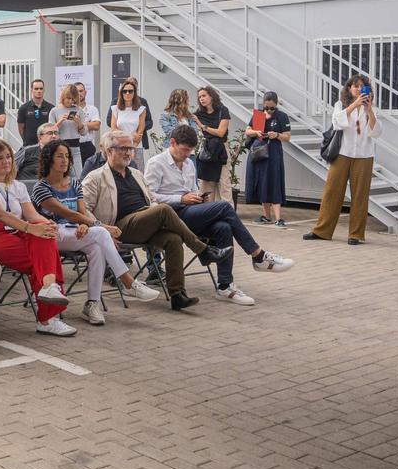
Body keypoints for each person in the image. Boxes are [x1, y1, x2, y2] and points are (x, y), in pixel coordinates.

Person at [146, 124, 294, 307]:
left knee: (223, 228)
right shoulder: (156, 163)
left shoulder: (190, 163)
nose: (187, 154)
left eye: (190, 150)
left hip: (189, 212)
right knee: (224, 207)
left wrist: (198, 197)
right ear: (173, 143)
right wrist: (181, 198)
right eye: (184, 150)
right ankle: (258, 255)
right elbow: (150, 197)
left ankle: (225, 286)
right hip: (169, 216)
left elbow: (193, 189)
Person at [82, 130, 231, 311]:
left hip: (145, 221)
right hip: (118, 227)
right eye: (123, 148)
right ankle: (202, 250)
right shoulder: (96, 177)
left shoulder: (136, 174)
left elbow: (151, 200)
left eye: (131, 148)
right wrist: (102, 230)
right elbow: (84, 210)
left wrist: (153, 211)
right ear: (108, 150)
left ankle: (177, 295)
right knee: (163, 209)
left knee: (173, 239)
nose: (129, 153)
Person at [31, 140, 161, 325]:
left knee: (97, 248)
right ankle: (129, 283)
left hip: (76, 232)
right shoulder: (41, 188)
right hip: (52, 234)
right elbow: (68, 214)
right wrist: (102, 226)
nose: (64, 160)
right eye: (59, 156)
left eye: (67, 156)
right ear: (48, 159)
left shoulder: (74, 184)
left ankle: (92, 304)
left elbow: (82, 214)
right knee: (101, 234)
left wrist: (86, 225)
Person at [0, 138, 72, 337]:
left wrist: (46, 224)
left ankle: (49, 290)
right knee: (44, 259)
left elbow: (32, 215)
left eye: (8, 157)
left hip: (16, 232)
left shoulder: (17, 185)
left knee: (43, 232)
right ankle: (48, 318)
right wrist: (31, 228)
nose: (6, 162)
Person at [305, 74, 381, 245]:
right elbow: (337, 122)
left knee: (360, 195)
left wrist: (368, 110)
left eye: (362, 86)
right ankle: (322, 231)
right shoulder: (340, 105)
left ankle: (356, 235)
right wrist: (355, 105)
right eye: (355, 86)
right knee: (332, 191)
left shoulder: (372, 108)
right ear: (348, 88)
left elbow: (376, 132)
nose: (359, 89)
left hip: (364, 155)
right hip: (342, 153)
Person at [244, 91, 292, 227]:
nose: (269, 110)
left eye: (272, 108)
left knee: (274, 181)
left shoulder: (281, 116)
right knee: (262, 182)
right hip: (259, 152)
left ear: (276, 105)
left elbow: (288, 136)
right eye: (266, 107)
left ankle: (278, 218)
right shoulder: (258, 115)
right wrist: (255, 132)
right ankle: (266, 216)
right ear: (263, 105)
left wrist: (276, 135)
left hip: (274, 154)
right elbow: (247, 131)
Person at [193, 85, 232, 205]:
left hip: (221, 149)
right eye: (199, 97)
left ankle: (227, 212)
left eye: (204, 96)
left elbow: (221, 133)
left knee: (223, 182)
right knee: (205, 183)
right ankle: (206, 211)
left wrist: (202, 125)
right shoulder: (199, 112)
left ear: (211, 96)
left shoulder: (222, 110)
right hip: (207, 148)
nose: (201, 99)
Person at [109, 77, 148, 170]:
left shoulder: (141, 109)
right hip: (119, 146)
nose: (127, 93)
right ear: (121, 93)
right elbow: (113, 129)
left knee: (137, 173)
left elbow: (140, 133)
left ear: (134, 93)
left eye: (130, 91)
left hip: (136, 146)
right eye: (125, 91)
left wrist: (132, 148)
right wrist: (130, 136)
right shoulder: (115, 109)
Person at [49, 83, 86, 176]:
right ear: (64, 96)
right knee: (61, 176)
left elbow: (84, 132)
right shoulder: (55, 110)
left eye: (73, 99)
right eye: (69, 98)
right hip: (60, 147)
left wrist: (79, 123)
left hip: (75, 148)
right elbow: (50, 132)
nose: (71, 101)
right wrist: (60, 121)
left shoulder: (79, 110)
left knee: (77, 177)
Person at [15, 79, 52, 146]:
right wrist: (26, 139)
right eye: (36, 89)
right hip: (29, 145)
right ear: (31, 90)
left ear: (44, 90)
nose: (39, 91)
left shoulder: (51, 108)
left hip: (47, 145)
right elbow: (21, 128)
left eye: (41, 89)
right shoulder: (23, 108)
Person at [73, 82, 102, 161]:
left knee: (88, 172)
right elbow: (71, 127)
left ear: (85, 92)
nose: (79, 93)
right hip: (73, 145)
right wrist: (89, 124)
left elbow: (96, 126)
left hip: (87, 146)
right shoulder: (70, 109)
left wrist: (79, 124)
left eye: (81, 91)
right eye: (76, 91)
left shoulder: (92, 109)